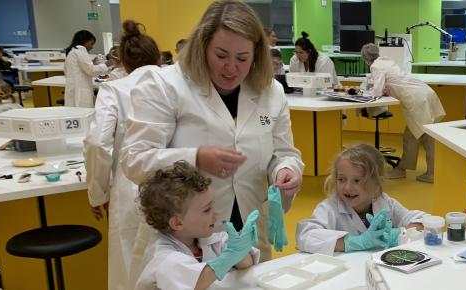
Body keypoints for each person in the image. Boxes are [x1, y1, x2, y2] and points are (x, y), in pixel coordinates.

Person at [121, 0, 304, 262]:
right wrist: (195, 158)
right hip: (185, 234)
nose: (231, 68)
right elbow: (134, 160)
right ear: (202, 46)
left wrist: (286, 170)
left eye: (242, 58)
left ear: (257, 54)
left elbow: (283, 152)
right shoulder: (164, 86)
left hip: (248, 224)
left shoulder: (270, 91)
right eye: (221, 55)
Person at [83, 19, 162, 290]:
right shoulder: (176, 86)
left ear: (124, 63)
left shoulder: (114, 90)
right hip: (178, 188)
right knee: (177, 265)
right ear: (158, 58)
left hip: (130, 189)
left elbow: (97, 143)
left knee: (128, 267)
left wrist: (97, 192)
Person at [134, 161, 259, 290]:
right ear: (178, 223)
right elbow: (196, 283)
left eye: (213, 204)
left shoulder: (212, 240)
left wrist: (241, 251)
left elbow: (245, 266)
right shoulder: (162, 256)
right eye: (207, 209)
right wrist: (229, 257)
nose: (216, 212)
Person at [296, 144, 427, 255]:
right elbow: (305, 236)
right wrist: (354, 242)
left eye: (357, 181)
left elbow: (423, 221)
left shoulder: (384, 202)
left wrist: (399, 234)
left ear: (377, 184)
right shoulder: (329, 208)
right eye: (341, 179)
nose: (347, 187)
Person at [359, 43, 445, 183]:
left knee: (422, 138)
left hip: (416, 99)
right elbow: (395, 81)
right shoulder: (387, 60)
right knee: (419, 136)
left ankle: (425, 173)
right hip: (425, 92)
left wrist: (370, 89)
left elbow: (377, 91)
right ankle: (410, 169)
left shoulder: (375, 66)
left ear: (366, 59)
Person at [63, 30, 110, 107]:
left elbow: (68, 69)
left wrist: (92, 64)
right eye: (91, 43)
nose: (92, 47)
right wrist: (106, 65)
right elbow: (90, 70)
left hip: (73, 88)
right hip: (80, 90)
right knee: (84, 113)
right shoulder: (80, 50)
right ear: (84, 41)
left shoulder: (72, 52)